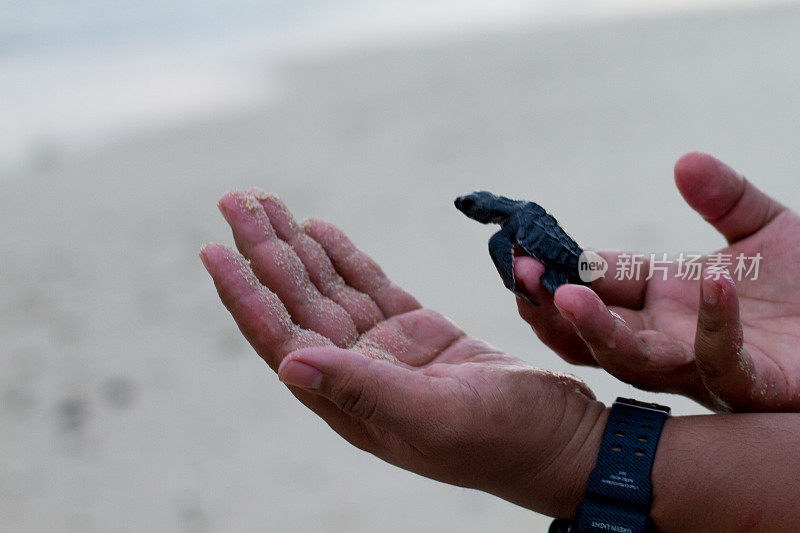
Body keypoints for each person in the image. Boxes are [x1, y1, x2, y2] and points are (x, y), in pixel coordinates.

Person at [200, 152, 800, 531]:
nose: (471, 212)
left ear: (490, 210)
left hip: (567, 264)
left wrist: (570, 449)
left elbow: (509, 255)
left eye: (471, 207)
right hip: (570, 258)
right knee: (565, 292)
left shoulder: (508, 231)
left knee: (557, 289)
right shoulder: (523, 216)